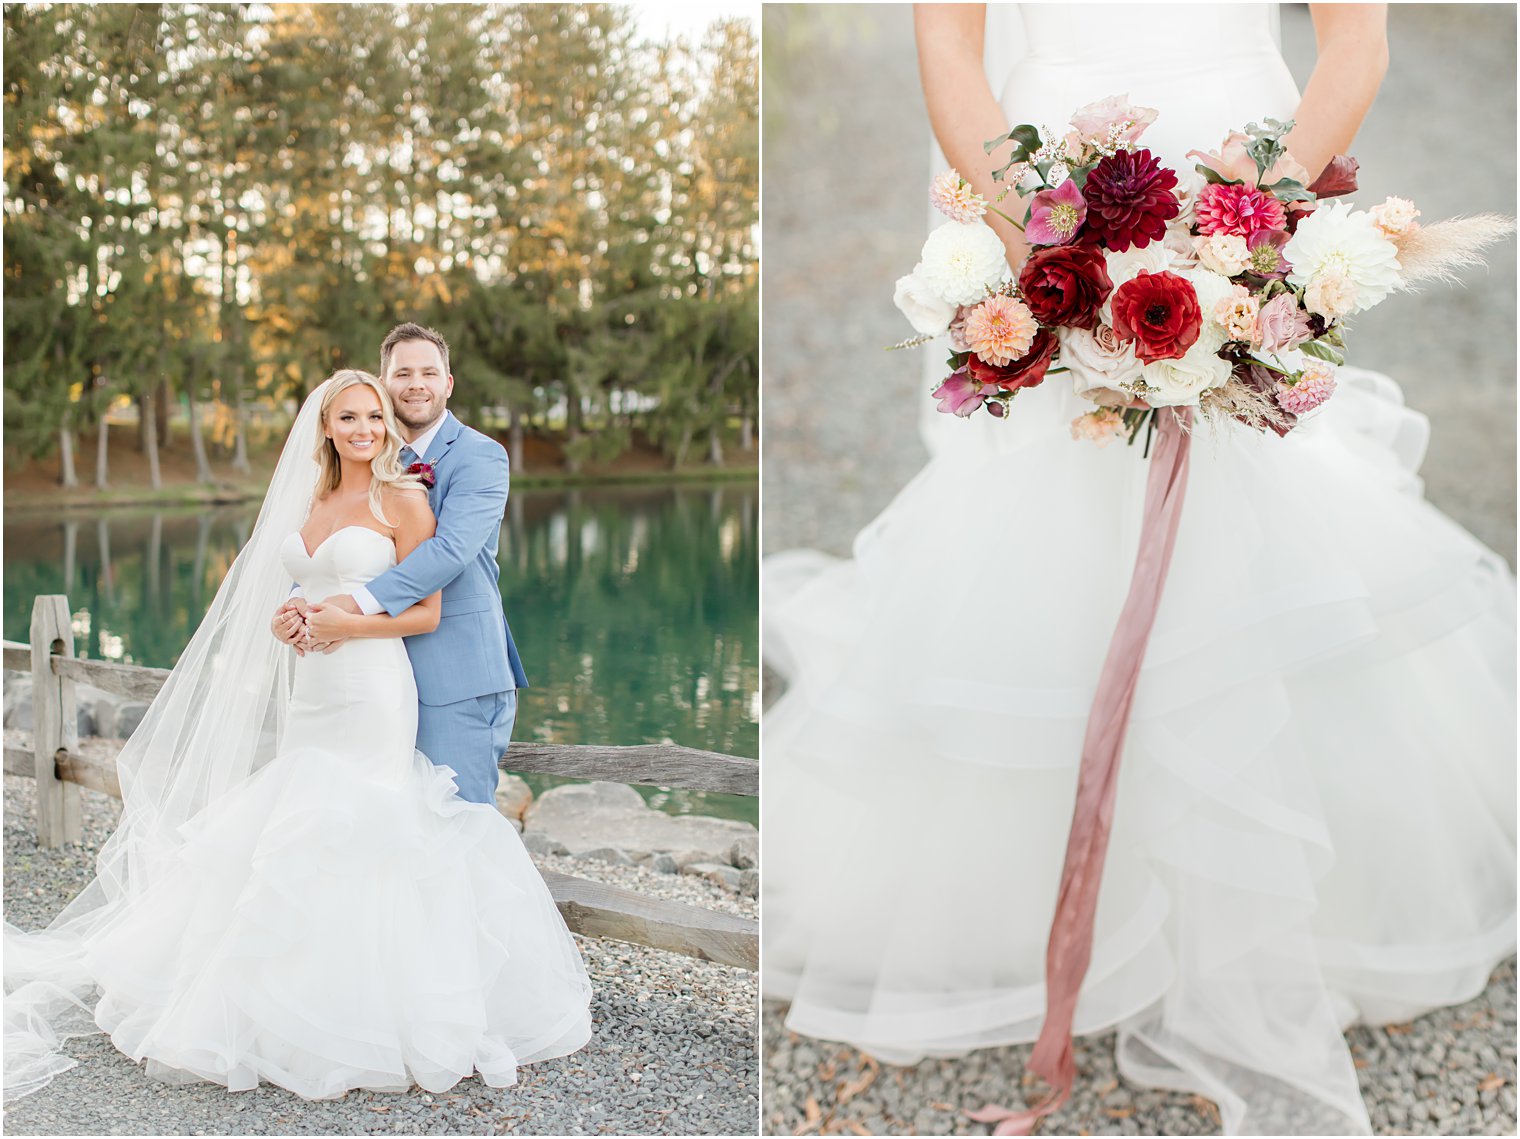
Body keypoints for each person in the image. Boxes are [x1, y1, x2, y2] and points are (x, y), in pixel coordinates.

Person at [762, 5, 1515, 1135]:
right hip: (1054, 183)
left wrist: (1262, 217)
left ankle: (1265, 914)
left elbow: (1355, 41)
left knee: (1262, 502)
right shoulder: (1035, 211)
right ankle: (1062, 908)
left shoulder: (1257, 202)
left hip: (1241, 172)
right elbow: (948, 44)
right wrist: (1029, 230)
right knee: (1050, 501)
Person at [4, 371, 591, 1101]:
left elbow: (427, 613)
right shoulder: (312, 499)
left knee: (360, 822)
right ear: (326, 427)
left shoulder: (402, 496)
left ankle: (368, 1017)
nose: (365, 427)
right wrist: (290, 619)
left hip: (375, 689)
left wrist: (350, 623)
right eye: (349, 416)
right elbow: (300, 587)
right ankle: (272, 1003)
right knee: (295, 824)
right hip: (315, 690)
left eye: (374, 415)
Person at [271, 323, 528, 806]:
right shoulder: (361, 464)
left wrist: (351, 608)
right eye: (402, 373)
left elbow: (449, 551)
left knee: (456, 825)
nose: (416, 384)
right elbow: (328, 554)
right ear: (384, 384)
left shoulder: (480, 457)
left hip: (454, 674)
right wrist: (297, 609)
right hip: (365, 675)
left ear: (448, 383)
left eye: (429, 372)